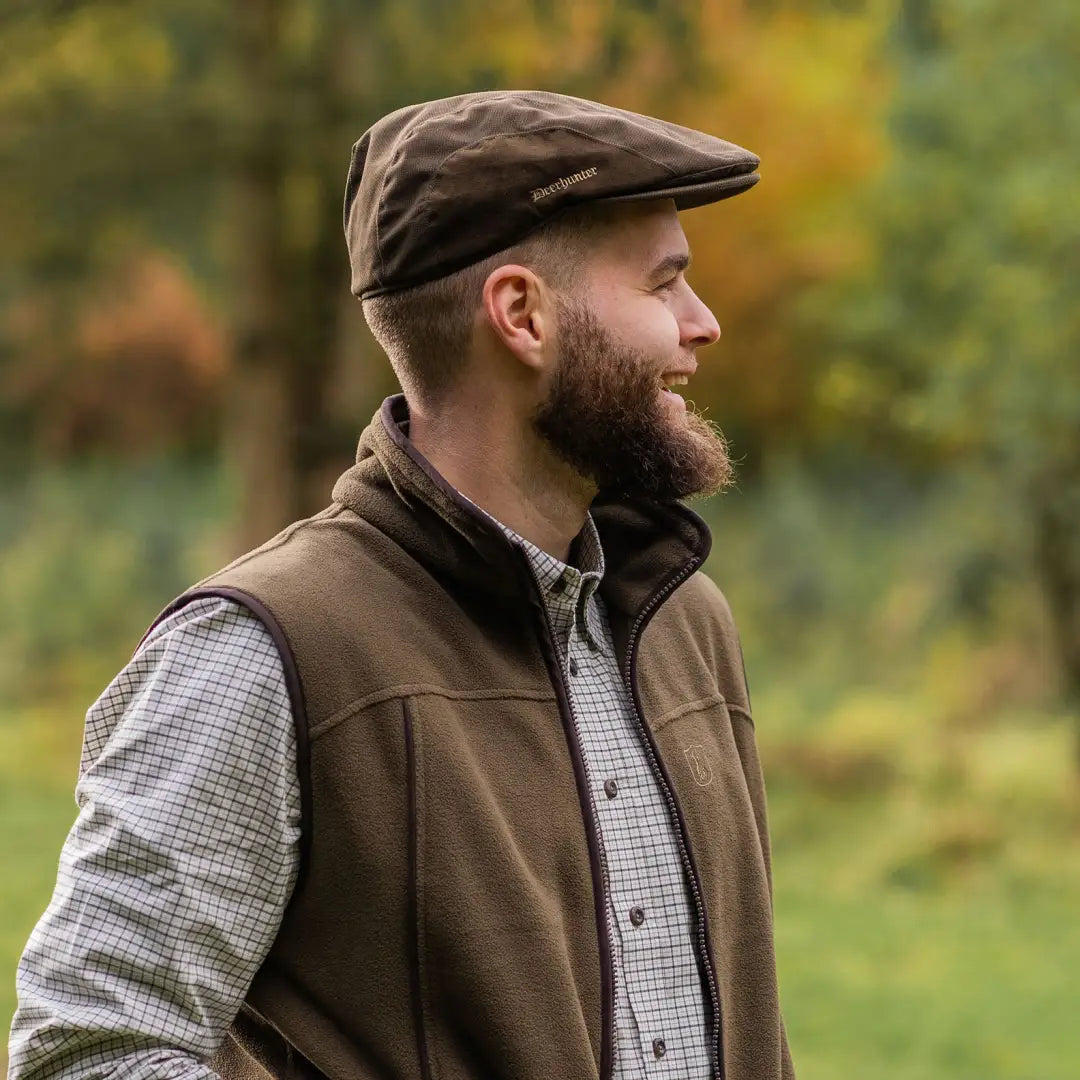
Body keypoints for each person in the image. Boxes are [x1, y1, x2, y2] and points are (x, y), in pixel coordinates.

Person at [9, 90, 795, 1080]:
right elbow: (91, 1050)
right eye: (664, 285)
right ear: (521, 316)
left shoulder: (684, 624)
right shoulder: (266, 650)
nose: (704, 323)